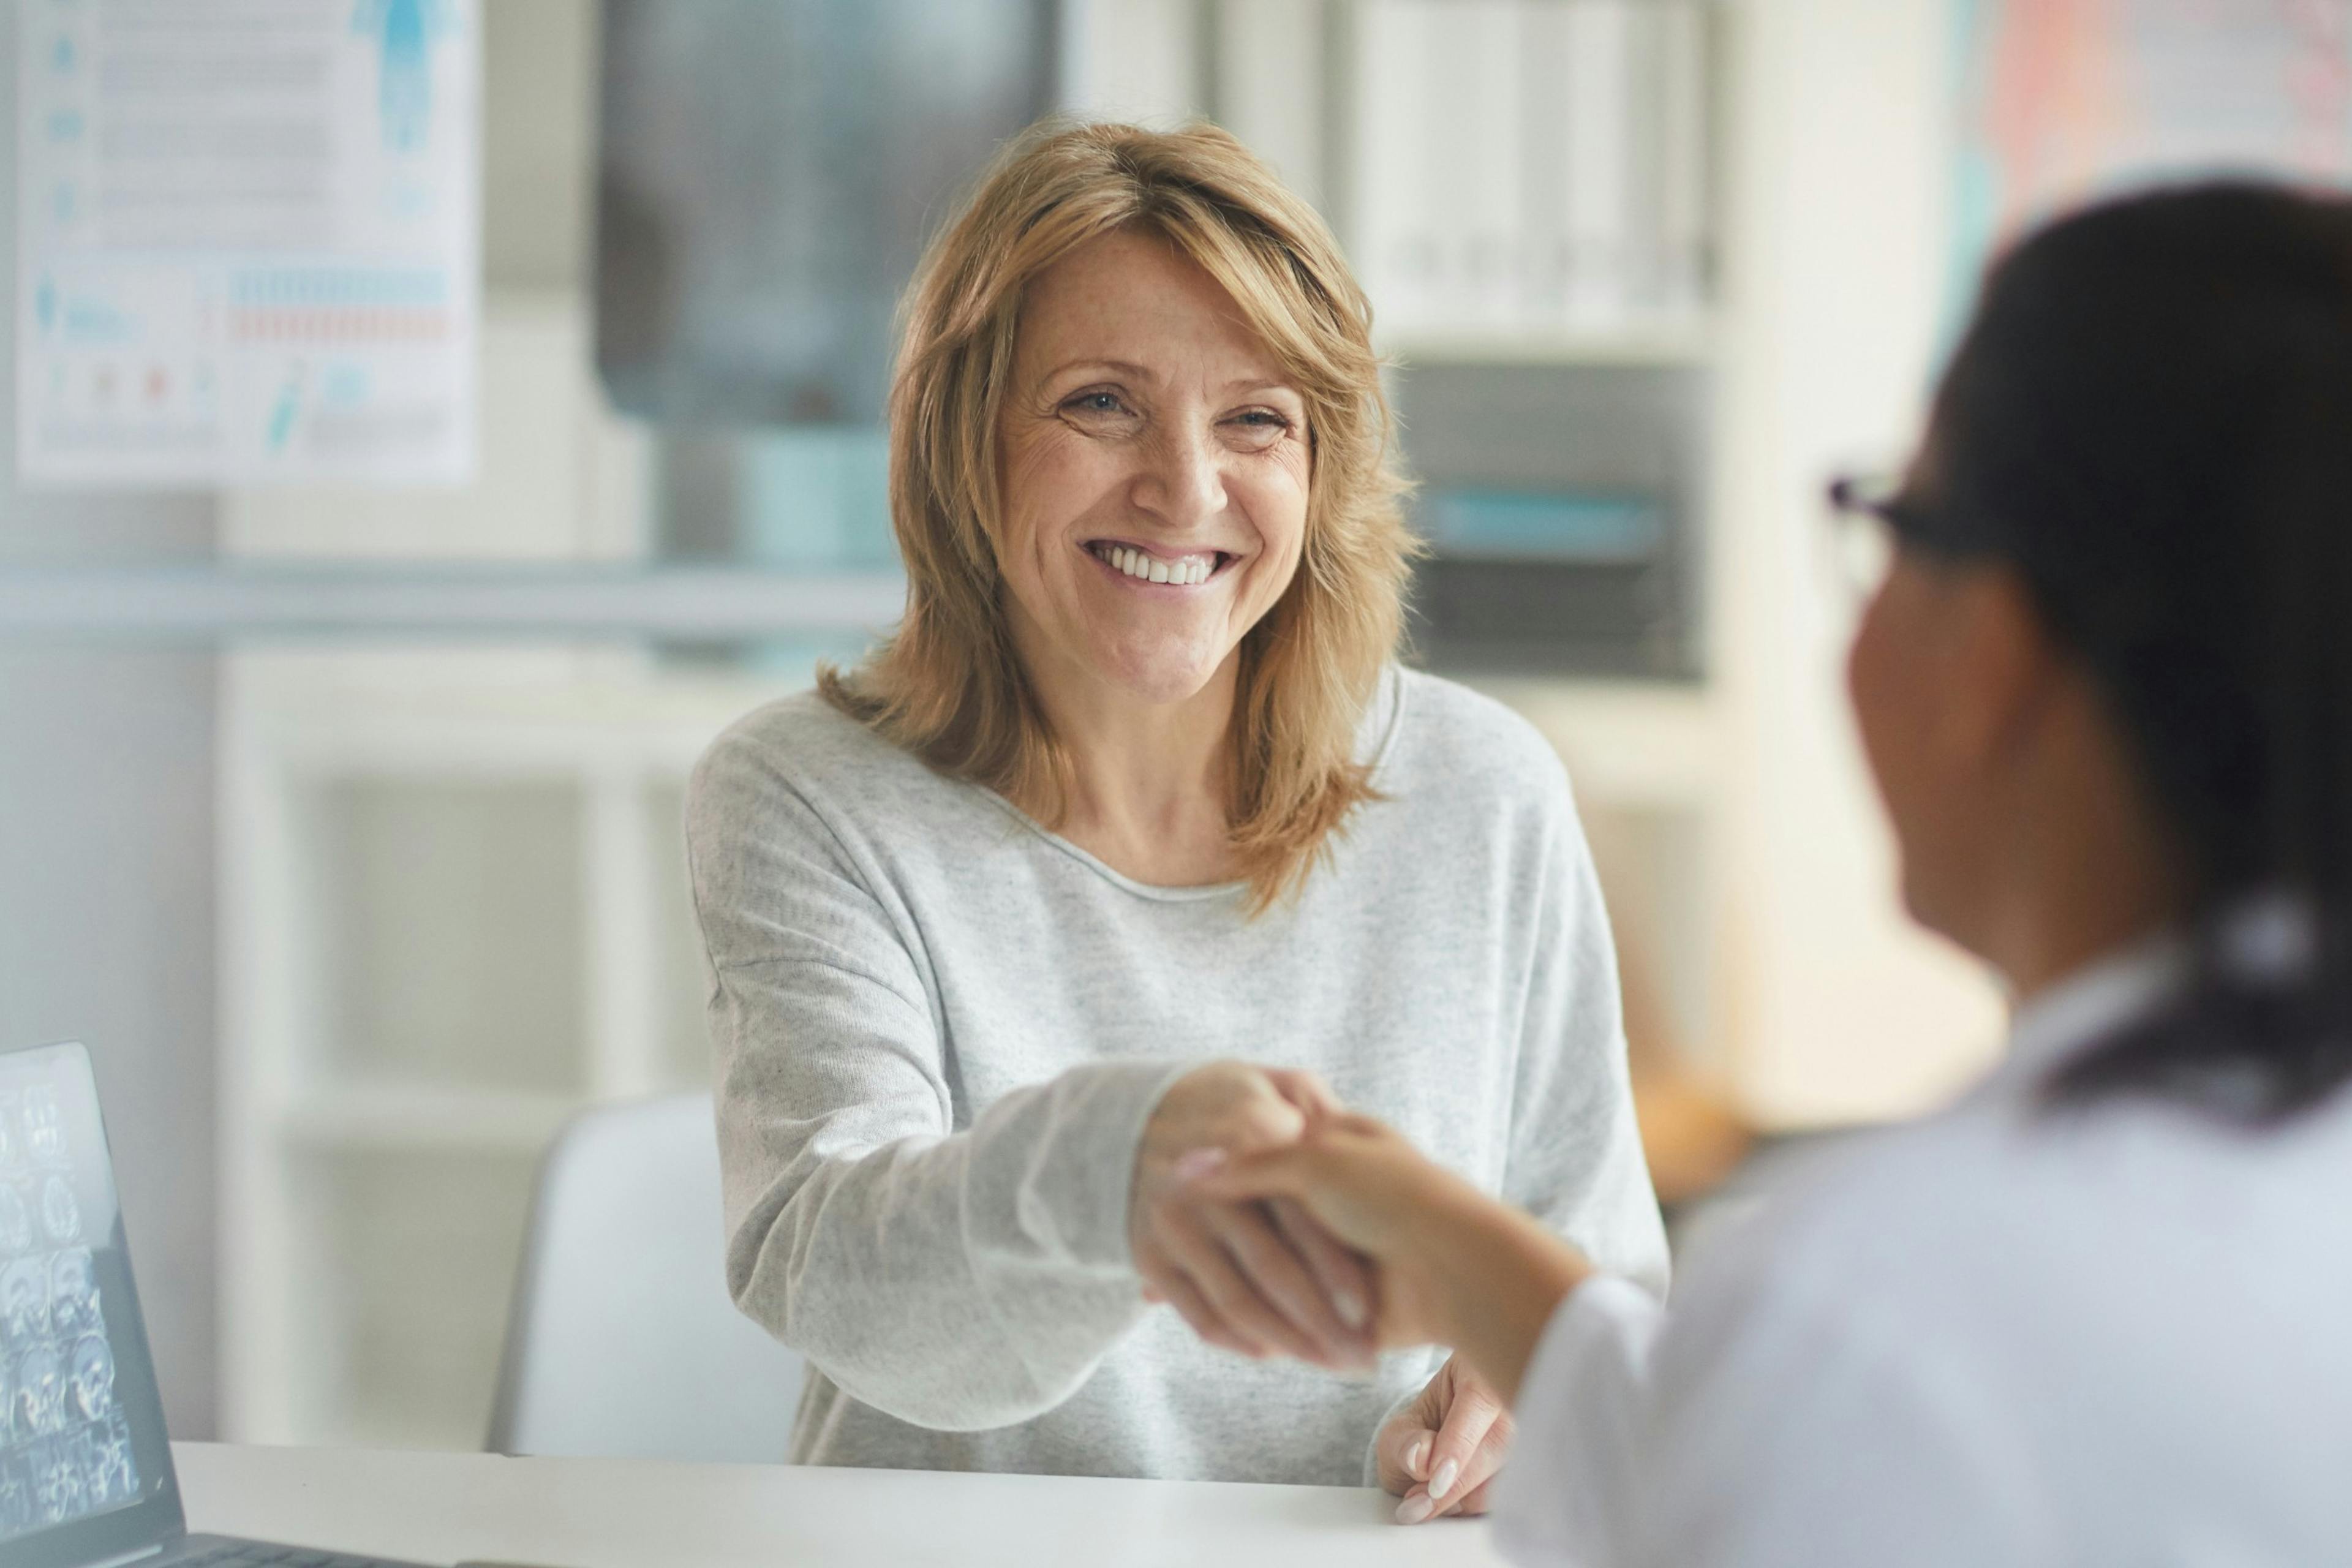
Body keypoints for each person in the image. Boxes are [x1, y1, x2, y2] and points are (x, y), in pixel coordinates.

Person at [1189, 181, 2352, 1559]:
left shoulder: (1882, 1307)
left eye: (1893, 525)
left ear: (1990, 654)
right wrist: (1458, 1252)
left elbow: (1791, 1444)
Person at [684, 118, 1667, 1494]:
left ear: (1321, 468)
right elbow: (844, 1282)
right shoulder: (806, 796)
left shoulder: (1485, 791)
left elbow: (1603, 1281)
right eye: (1100, 402)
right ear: (967, 441)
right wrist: (1120, 1173)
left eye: (1256, 418)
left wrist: (1526, 1384)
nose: (1186, 488)